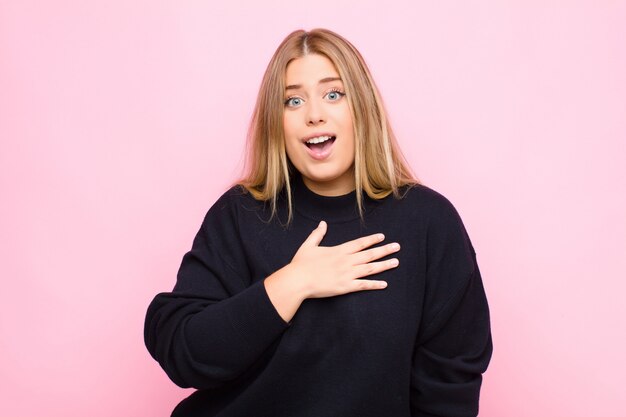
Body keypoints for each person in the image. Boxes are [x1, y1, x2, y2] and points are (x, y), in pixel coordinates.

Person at [144, 28, 492, 417]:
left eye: (333, 94)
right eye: (293, 100)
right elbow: (183, 351)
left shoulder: (429, 223)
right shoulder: (239, 214)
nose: (314, 114)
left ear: (362, 107)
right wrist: (294, 282)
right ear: (278, 122)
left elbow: (451, 386)